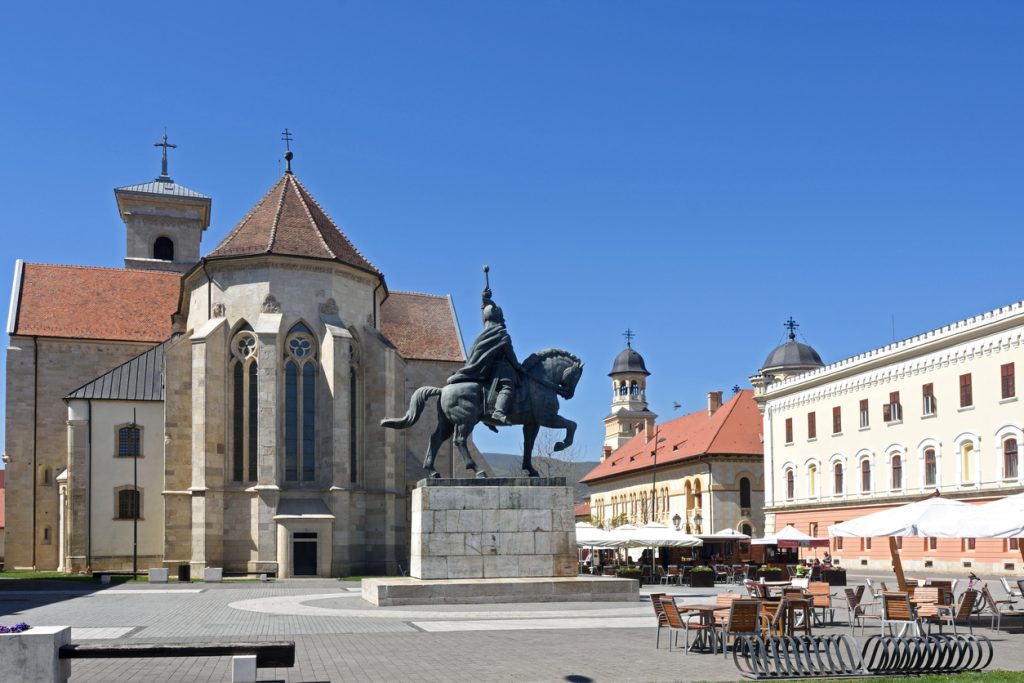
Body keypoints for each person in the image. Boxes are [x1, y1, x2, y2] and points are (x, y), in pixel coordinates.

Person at [447, 286, 520, 424]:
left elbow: (486, 315)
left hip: (488, 370)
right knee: (508, 387)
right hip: (501, 370)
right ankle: (498, 412)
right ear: (499, 317)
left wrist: (485, 300)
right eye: (501, 317)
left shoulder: (486, 333)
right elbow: (511, 356)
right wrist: (518, 367)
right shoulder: (501, 334)